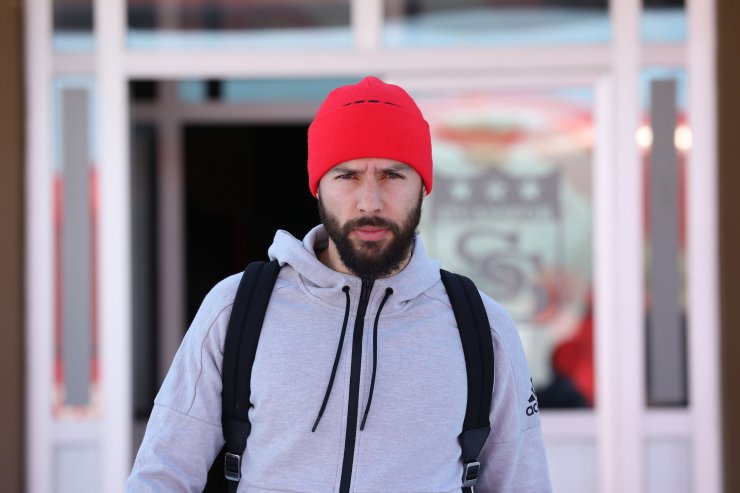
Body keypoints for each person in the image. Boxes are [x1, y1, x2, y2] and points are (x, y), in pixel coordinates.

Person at [125, 76, 552, 492]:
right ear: (318, 187)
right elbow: (162, 475)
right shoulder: (236, 308)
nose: (370, 202)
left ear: (423, 185)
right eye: (347, 176)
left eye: (393, 175)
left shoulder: (482, 328)